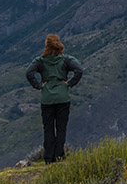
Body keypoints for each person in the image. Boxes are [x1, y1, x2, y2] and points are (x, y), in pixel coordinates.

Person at [25, 34, 84, 163]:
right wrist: (69, 83)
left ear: (46, 46)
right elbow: (79, 70)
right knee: (61, 128)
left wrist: (38, 85)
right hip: (63, 98)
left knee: (48, 129)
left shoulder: (40, 61)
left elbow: (28, 72)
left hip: (47, 99)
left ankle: (48, 159)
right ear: (59, 44)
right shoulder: (66, 59)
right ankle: (59, 157)